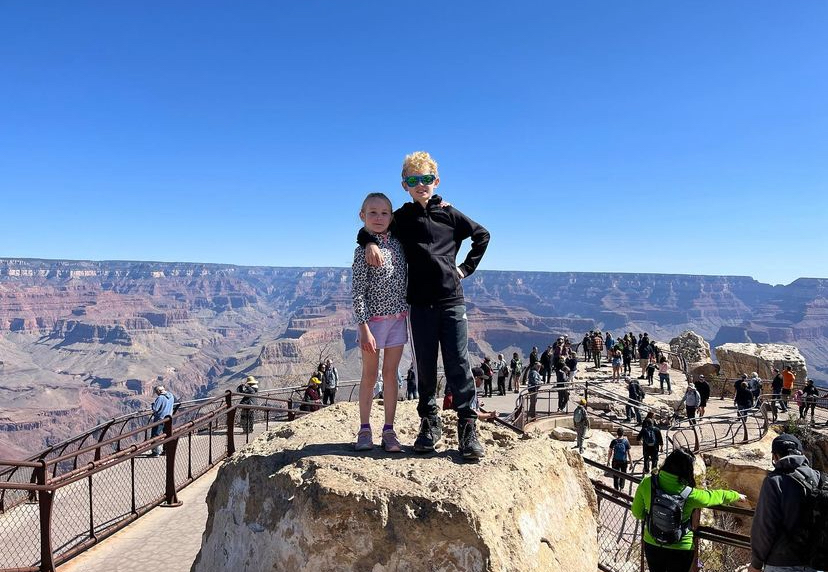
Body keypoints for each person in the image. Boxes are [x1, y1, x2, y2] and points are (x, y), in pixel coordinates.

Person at [359, 151, 489, 460]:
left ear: (436, 181)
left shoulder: (449, 213)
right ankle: (429, 424)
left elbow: (482, 235)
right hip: (419, 305)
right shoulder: (402, 217)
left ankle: (468, 428)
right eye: (414, 180)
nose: (421, 185)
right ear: (405, 184)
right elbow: (371, 227)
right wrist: (369, 243)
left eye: (426, 179)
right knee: (425, 367)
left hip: (451, 301)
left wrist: (465, 269)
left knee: (458, 363)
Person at [352, 192, 408, 452]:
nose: (378, 217)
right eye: (372, 212)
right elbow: (358, 291)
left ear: (392, 216)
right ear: (362, 216)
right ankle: (364, 429)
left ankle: (389, 430)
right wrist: (363, 328)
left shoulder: (399, 242)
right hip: (373, 322)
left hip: (398, 319)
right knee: (370, 375)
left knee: (391, 375)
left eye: (384, 212)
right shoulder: (361, 251)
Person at [632, 448, 744, 572]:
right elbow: (714, 496)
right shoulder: (690, 494)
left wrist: (656, 518)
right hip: (680, 546)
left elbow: (637, 512)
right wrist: (735, 495)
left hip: (652, 542)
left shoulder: (647, 482)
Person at [749, 433, 824, 572]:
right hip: (816, 562)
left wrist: (756, 563)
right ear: (801, 454)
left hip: (781, 562)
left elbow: (764, 527)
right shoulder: (821, 480)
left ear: (775, 456)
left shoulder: (774, 481)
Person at [149, 385, 175, 457]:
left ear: (159, 391)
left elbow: (155, 409)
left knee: (155, 435)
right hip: (168, 418)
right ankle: (166, 450)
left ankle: (156, 452)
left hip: (160, 419)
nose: (156, 394)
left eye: (156, 392)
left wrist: (152, 404)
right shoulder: (171, 395)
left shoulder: (160, 398)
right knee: (167, 434)